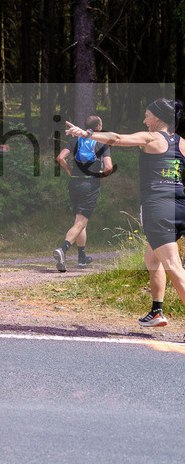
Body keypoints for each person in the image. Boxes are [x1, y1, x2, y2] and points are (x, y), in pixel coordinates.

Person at [65, 99, 185, 329]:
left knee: (173, 266)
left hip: (159, 209)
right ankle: (157, 311)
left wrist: (86, 134)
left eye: (147, 115)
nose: (144, 120)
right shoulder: (181, 143)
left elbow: (117, 139)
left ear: (158, 118)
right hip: (179, 206)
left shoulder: (151, 138)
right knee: (152, 258)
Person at [53, 115, 113, 272]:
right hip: (90, 185)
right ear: (99, 128)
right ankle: (63, 250)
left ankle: (81, 258)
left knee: (80, 221)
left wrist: (69, 170)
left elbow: (60, 158)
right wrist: (99, 175)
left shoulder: (75, 141)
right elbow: (108, 168)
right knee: (80, 222)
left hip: (74, 184)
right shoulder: (102, 143)